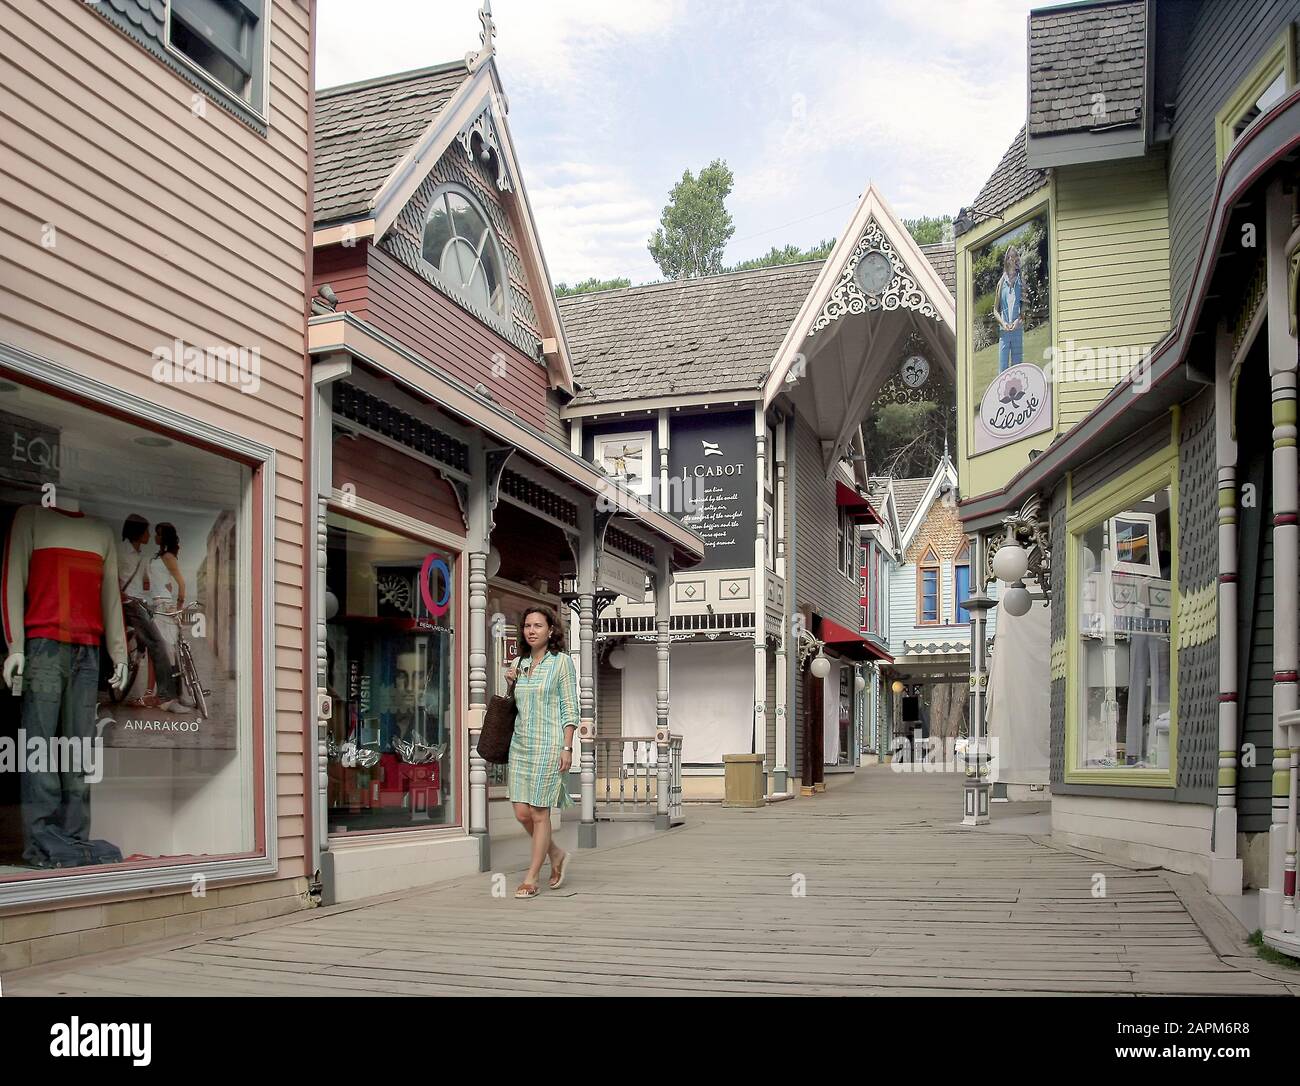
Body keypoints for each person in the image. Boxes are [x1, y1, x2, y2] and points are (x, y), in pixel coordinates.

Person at [505, 606, 577, 899]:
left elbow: (570, 707)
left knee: (539, 812)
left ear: (550, 630)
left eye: (537, 625)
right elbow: (513, 706)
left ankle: (532, 876)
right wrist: (510, 682)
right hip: (520, 746)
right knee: (522, 813)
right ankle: (556, 854)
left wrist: (567, 747)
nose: (531, 630)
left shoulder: (562, 663)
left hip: (549, 745)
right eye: (527, 626)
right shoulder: (519, 663)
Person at [118, 514, 177, 710]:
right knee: (157, 642)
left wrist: (162, 591)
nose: (149, 535)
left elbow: (146, 584)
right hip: (126, 603)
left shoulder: (141, 558)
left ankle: (139, 654)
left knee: (151, 637)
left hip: (139, 603)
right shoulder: (121, 551)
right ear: (137, 532)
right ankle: (165, 696)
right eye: (146, 531)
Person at [994, 245, 1024, 372]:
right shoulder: (1001, 283)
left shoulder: (1021, 281)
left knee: (1017, 368)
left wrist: (1018, 321)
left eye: (1014, 256)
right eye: (1009, 257)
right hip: (1004, 332)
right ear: (1006, 260)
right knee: (1003, 369)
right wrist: (1004, 323)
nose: (1012, 259)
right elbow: (995, 310)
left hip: (1017, 331)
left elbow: (1025, 309)